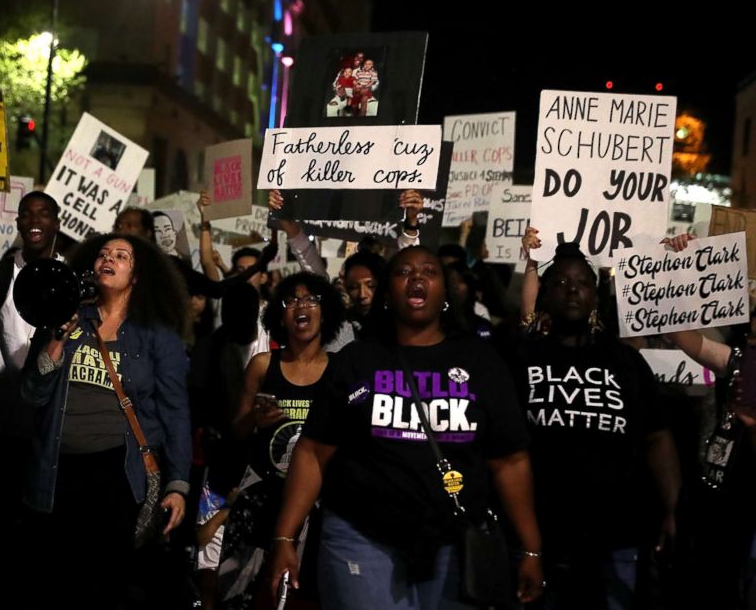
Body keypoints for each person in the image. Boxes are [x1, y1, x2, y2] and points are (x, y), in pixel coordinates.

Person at [270, 245, 544, 609]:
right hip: (361, 538)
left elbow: (509, 461)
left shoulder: (482, 364)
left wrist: (530, 547)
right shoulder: (356, 361)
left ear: (446, 293)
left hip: (452, 543)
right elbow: (313, 453)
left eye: (429, 272)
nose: (416, 278)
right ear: (387, 293)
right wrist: (285, 538)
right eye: (403, 272)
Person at [21, 233, 192, 607]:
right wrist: (55, 342)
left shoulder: (155, 334)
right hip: (57, 468)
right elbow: (31, 394)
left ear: (137, 275)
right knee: (58, 580)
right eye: (101, 254)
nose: (107, 260)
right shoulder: (65, 318)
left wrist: (178, 484)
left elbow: (175, 411)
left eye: (120, 255)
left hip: (117, 471)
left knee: (106, 581)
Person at [514, 234, 680, 609]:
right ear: (543, 295)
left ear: (594, 295)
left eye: (583, 283)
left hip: (615, 537)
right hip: (541, 536)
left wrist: (672, 509)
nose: (572, 290)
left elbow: (657, 438)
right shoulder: (520, 358)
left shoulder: (626, 363)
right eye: (560, 283)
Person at [218, 272, 344, 608]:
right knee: (242, 596)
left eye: (311, 299)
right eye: (291, 301)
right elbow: (237, 430)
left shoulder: (341, 371)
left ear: (326, 311)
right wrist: (254, 420)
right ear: (279, 315)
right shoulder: (262, 365)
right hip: (261, 498)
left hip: (315, 505)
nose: (301, 306)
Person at [0, 191, 62, 532]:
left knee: (36, 519)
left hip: (46, 419)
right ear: (18, 222)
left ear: (56, 223)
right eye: (27, 214)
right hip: (0, 418)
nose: (35, 221)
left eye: (44, 213)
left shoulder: (67, 278)